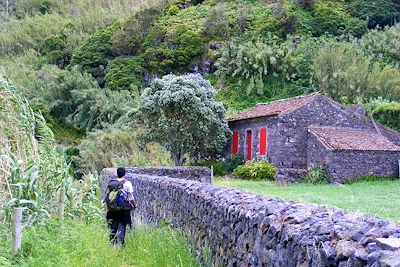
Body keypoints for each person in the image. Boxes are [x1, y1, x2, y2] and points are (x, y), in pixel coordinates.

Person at [106, 167, 137, 246]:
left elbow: (109, 197)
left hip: (112, 210)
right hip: (124, 209)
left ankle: (112, 245)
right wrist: (134, 204)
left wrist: (108, 208)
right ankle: (120, 246)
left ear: (117, 174)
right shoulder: (127, 183)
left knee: (113, 227)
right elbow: (130, 196)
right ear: (124, 174)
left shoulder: (112, 184)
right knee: (122, 226)